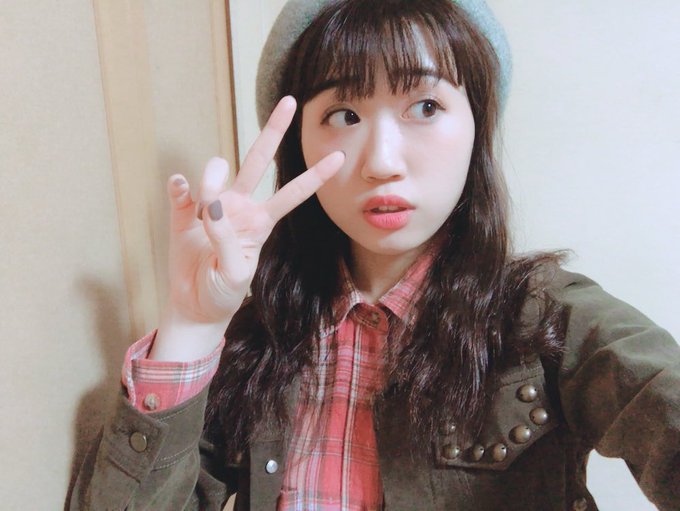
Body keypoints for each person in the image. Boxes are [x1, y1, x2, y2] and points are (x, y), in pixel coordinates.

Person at [68, 0, 680, 509]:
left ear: (477, 127)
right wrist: (191, 325)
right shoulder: (264, 336)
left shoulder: (547, 318)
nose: (382, 161)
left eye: (426, 107)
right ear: (300, 147)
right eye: (344, 113)